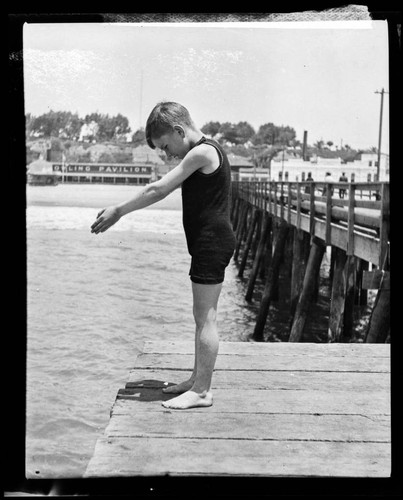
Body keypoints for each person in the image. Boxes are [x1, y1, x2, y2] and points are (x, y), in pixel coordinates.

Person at [90, 102, 236, 410]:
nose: (168, 155)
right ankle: (197, 380)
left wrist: (119, 210)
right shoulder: (207, 151)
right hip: (208, 241)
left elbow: (159, 189)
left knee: (205, 318)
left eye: (166, 146)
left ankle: (202, 392)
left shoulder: (201, 152)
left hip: (212, 242)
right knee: (200, 318)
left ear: (180, 131)